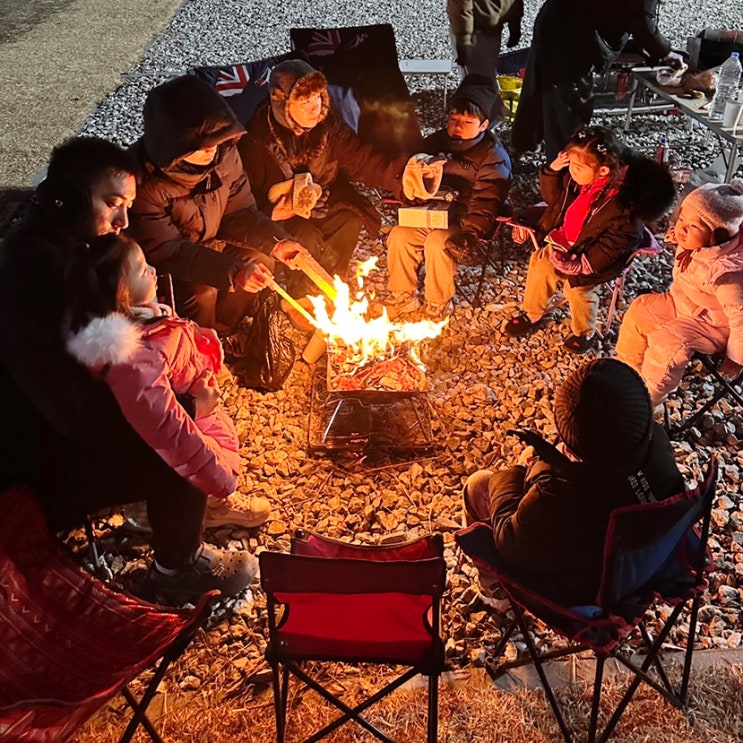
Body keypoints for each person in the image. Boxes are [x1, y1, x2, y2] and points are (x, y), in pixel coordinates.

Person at [0, 136, 258, 606]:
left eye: (128, 207)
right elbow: (76, 413)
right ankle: (177, 569)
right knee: (176, 444)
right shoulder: (35, 281)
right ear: (69, 199)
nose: (123, 222)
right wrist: (186, 408)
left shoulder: (61, 240)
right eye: (113, 204)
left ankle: (167, 512)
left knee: (176, 409)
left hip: (65, 428)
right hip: (38, 463)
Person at [64, 232, 270, 532]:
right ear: (121, 293)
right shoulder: (134, 360)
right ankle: (209, 506)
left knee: (213, 446)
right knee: (200, 462)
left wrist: (199, 339)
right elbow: (168, 428)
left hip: (193, 401)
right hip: (187, 417)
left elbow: (168, 334)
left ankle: (197, 496)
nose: (152, 270)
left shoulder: (143, 316)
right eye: (141, 269)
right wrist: (219, 477)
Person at [462, 358, 684, 607]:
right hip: (647, 567)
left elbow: (509, 542)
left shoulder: (556, 495)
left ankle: (495, 592)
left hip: (586, 591)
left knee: (478, 484)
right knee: (529, 459)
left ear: (569, 443)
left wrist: (516, 473)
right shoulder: (659, 447)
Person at [238, 59, 441, 296]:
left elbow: (365, 161)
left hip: (325, 203)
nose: (315, 108)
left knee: (349, 220)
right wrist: (272, 212)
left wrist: (408, 171)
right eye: (305, 102)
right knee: (306, 237)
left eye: (318, 97)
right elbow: (241, 202)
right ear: (282, 102)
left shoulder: (329, 129)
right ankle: (302, 298)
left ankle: (332, 291)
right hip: (276, 217)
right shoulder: (256, 142)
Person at [127, 74, 307, 332]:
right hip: (168, 266)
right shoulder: (145, 182)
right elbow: (169, 252)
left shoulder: (225, 154)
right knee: (202, 293)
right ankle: (198, 345)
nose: (212, 148)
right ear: (175, 142)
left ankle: (225, 332)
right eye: (202, 143)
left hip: (212, 244)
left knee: (262, 261)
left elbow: (240, 212)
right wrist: (234, 272)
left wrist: (277, 242)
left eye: (216, 137)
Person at [504, 126, 675, 354]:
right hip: (565, 240)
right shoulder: (578, 178)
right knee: (540, 264)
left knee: (577, 290)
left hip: (593, 256)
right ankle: (533, 311)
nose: (572, 170)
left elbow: (615, 245)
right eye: (570, 164)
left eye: (578, 166)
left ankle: (584, 332)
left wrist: (582, 264)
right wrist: (552, 171)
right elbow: (554, 200)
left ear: (603, 170)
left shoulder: (624, 205)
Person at [385, 74, 512, 321]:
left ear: (484, 125)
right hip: (432, 213)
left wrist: (469, 234)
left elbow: (487, 200)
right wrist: (414, 191)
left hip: (466, 220)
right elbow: (410, 178)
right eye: (453, 119)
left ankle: (438, 303)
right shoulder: (434, 142)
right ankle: (402, 297)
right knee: (399, 235)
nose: (458, 126)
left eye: (468, 121)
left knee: (437, 243)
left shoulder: (493, 156)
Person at [616, 180, 743, 408]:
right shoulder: (695, 244)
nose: (682, 228)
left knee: (668, 343)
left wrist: (736, 359)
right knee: (640, 309)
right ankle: (628, 371)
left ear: (717, 235)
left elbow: (740, 317)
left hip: (713, 327)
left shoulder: (727, 275)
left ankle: (648, 400)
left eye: (694, 226)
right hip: (683, 303)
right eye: (682, 218)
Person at [510, 0, 679, 161]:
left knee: (539, 84)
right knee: (569, 108)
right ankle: (566, 168)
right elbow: (641, 20)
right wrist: (665, 52)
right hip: (573, 34)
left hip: (555, 18)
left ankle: (524, 142)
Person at [447, 0, 523, 100]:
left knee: (477, 81)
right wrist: (515, 22)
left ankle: (479, 103)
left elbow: (460, 4)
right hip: (489, 24)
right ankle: (484, 102)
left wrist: (463, 39)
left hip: (477, 27)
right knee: (484, 77)